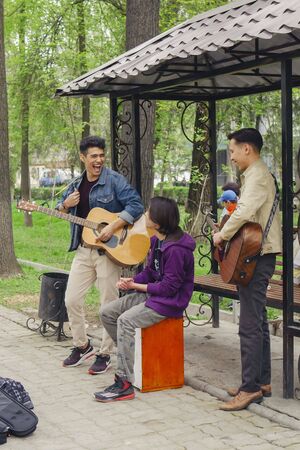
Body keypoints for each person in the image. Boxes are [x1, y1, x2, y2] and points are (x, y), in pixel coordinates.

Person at [93, 196, 196, 402]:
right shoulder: (157, 240)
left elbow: (168, 289)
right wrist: (132, 280)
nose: (145, 214)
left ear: (157, 222)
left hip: (169, 303)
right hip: (153, 295)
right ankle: (128, 354)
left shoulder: (176, 249)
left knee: (125, 320)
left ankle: (124, 383)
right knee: (107, 312)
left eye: (149, 212)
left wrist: (135, 286)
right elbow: (150, 272)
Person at [56, 135, 144, 374]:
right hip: (84, 250)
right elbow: (59, 209)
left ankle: (104, 354)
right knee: (71, 299)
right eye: (93, 156)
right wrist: (65, 205)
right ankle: (82, 345)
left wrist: (113, 226)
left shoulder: (114, 180)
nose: (99, 160)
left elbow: (136, 205)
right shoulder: (75, 185)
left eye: (101, 155)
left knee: (108, 304)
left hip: (109, 252)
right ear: (83, 158)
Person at [212, 128, 281, 411]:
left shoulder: (257, 176)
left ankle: (250, 388)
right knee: (257, 319)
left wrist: (222, 235)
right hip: (257, 255)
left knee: (249, 324)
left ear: (247, 149)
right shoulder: (254, 175)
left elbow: (243, 212)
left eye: (232, 151)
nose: (231, 156)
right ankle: (260, 382)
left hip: (258, 256)